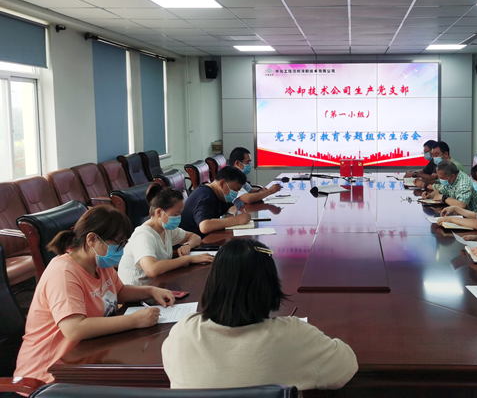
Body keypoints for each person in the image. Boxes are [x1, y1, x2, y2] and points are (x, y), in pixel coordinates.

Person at [162, 239, 358, 390]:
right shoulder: (293, 336)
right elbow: (345, 366)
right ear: (269, 287)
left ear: (213, 284)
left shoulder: (183, 334)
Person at [14, 206, 174, 384]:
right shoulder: (63, 273)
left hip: (87, 355)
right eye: (118, 244)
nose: (121, 250)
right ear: (92, 239)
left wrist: (151, 291)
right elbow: (74, 329)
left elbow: (119, 291)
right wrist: (135, 320)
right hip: (49, 375)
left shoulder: (99, 264)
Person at [118, 184, 214, 286]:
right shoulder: (144, 236)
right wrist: (189, 259)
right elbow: (151, 269)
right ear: (159, 212)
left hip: (157, 284)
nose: (179, 218)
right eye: (175, 214)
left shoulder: (166, 229)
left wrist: (188, 245)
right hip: (138, 290)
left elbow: (195, 237)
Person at [180, 166, 252, 237]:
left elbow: (232, 207)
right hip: (190, 242)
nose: (236, 193)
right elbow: (204, 226)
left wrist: (230, 214)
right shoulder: (206, 196)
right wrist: (236, 220)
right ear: (222, 183)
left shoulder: (217, 193)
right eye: (235, 189)